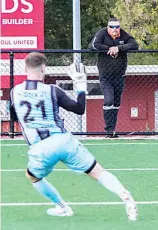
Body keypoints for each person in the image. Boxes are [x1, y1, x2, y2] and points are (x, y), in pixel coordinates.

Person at [9, 52, 138, 220]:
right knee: (97, 172)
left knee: (33, 176)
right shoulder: (52, 90)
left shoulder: (15, 92)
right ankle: (125, 196)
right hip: (63, 140)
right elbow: (79, 109)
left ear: (25, 68)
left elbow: (13, 117)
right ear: (44, 68)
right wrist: (81, 86)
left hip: (40, 148)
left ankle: (62, 206)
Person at [90, 17, 138, 138]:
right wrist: (109, 49)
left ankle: (112, 131)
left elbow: (134, 45)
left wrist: (119, 48)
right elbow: (94, 46)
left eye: (117, 27)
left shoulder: (123, 35)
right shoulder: (101, 33)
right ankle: (108, 130)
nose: (115, 30)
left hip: (119, 75)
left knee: (116, 103)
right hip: (105, 76)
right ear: (108, 28)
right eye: (112, 27)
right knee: (109, 100)